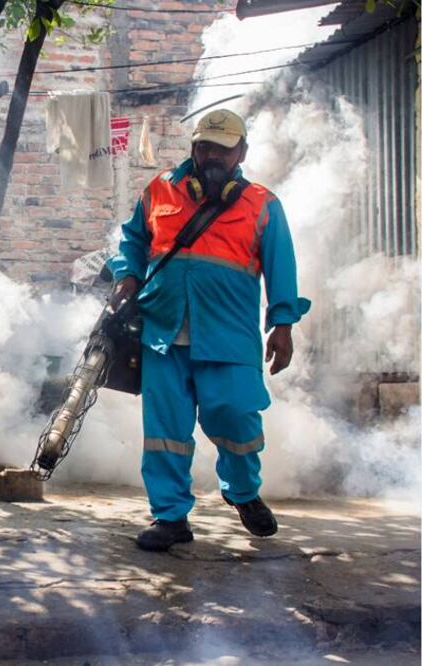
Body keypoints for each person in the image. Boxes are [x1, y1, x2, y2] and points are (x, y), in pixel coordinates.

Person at [107, 109, 310, 552]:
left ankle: (242, 492)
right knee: (166, 432)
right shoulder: (159, 190)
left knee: (236, 417)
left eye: (222, 147)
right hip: (163, 330)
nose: (212, 155)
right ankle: (170, 516)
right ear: (193, 148)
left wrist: (283, 324)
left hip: (229, 334)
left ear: (241, 151)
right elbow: (133, 241)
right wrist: (126, 275)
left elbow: (282, 268)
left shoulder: (263, 205)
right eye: (204, 146)